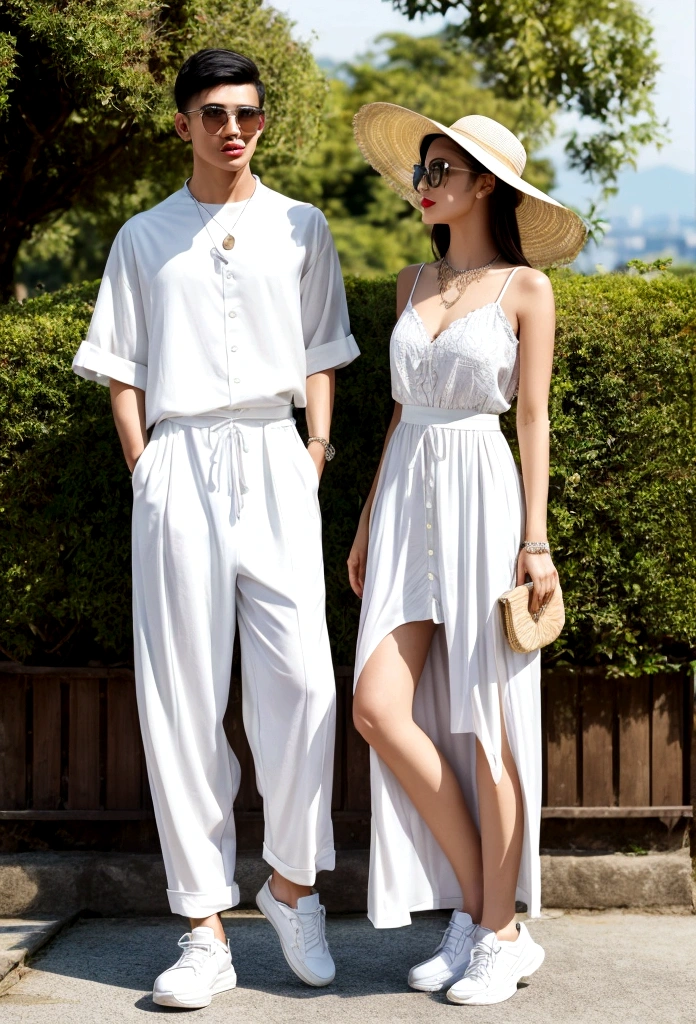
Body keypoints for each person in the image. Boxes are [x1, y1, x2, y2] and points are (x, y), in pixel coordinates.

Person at [73, 48, 359, 1010]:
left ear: (262, 123)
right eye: (212, 113)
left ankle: (289, 888)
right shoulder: (143, 238)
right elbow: (122, 364)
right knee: (183, 700)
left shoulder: (300, 227)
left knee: (308, 688)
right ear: (185, 124)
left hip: (277, 461)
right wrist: (144, 463)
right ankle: (202, 930)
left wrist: (314, 450)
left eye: (245, 112)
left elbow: (323, 349)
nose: (231, 127)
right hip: (178, 463)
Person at [348, 103, 585, 1006]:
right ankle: (483, 909)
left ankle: (496, 929)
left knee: (489, 724)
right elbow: (400, 414)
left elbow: (532, 421)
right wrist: (369, 521)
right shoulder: (410, 283)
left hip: (484, 492)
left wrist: (537, 540)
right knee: (379, 706)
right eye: (420, 171)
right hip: (409, 495)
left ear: (486, 184)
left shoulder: (527, 288)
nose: (424, 185)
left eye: (440, 171)